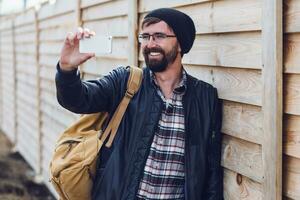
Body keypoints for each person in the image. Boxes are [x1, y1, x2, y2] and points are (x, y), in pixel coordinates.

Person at [55, 7, 223, 200]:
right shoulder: (125, 81)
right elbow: (79, 99)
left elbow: (211, 172)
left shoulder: (205, 97)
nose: (150, 44)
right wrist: (67, 69)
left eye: (159, 36)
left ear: (180, 44)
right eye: (145, 36)